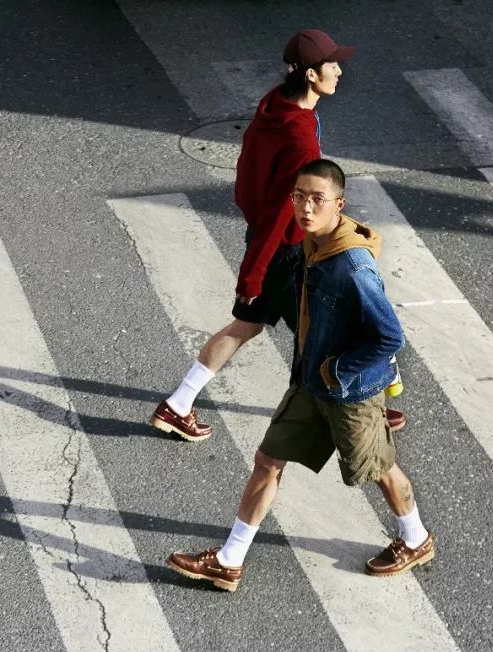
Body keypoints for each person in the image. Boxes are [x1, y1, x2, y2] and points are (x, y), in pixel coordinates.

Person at [166, 159, 433, 591]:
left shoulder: (352, 268)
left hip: (349, 393)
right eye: (299, 197)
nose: (306, 208)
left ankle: (416, 539)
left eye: (317, 199)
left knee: (380, 468)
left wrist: (336, 370)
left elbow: (389, 336)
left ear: (339, 204)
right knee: (267, 462)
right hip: (311, 385)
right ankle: (229, 560)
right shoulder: (314, 243)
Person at [150, 29, 405, 442]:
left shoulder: (276, 104)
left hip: (270, 243)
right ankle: (350, 411)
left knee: (246, 325)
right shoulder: (300, 140)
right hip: (286, 250)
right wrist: (253, 273)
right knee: (327, 331)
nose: (340, 71)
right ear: (310, 74)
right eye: (332, 64)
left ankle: (178, 405)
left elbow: (251, 175)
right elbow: (278, 212)